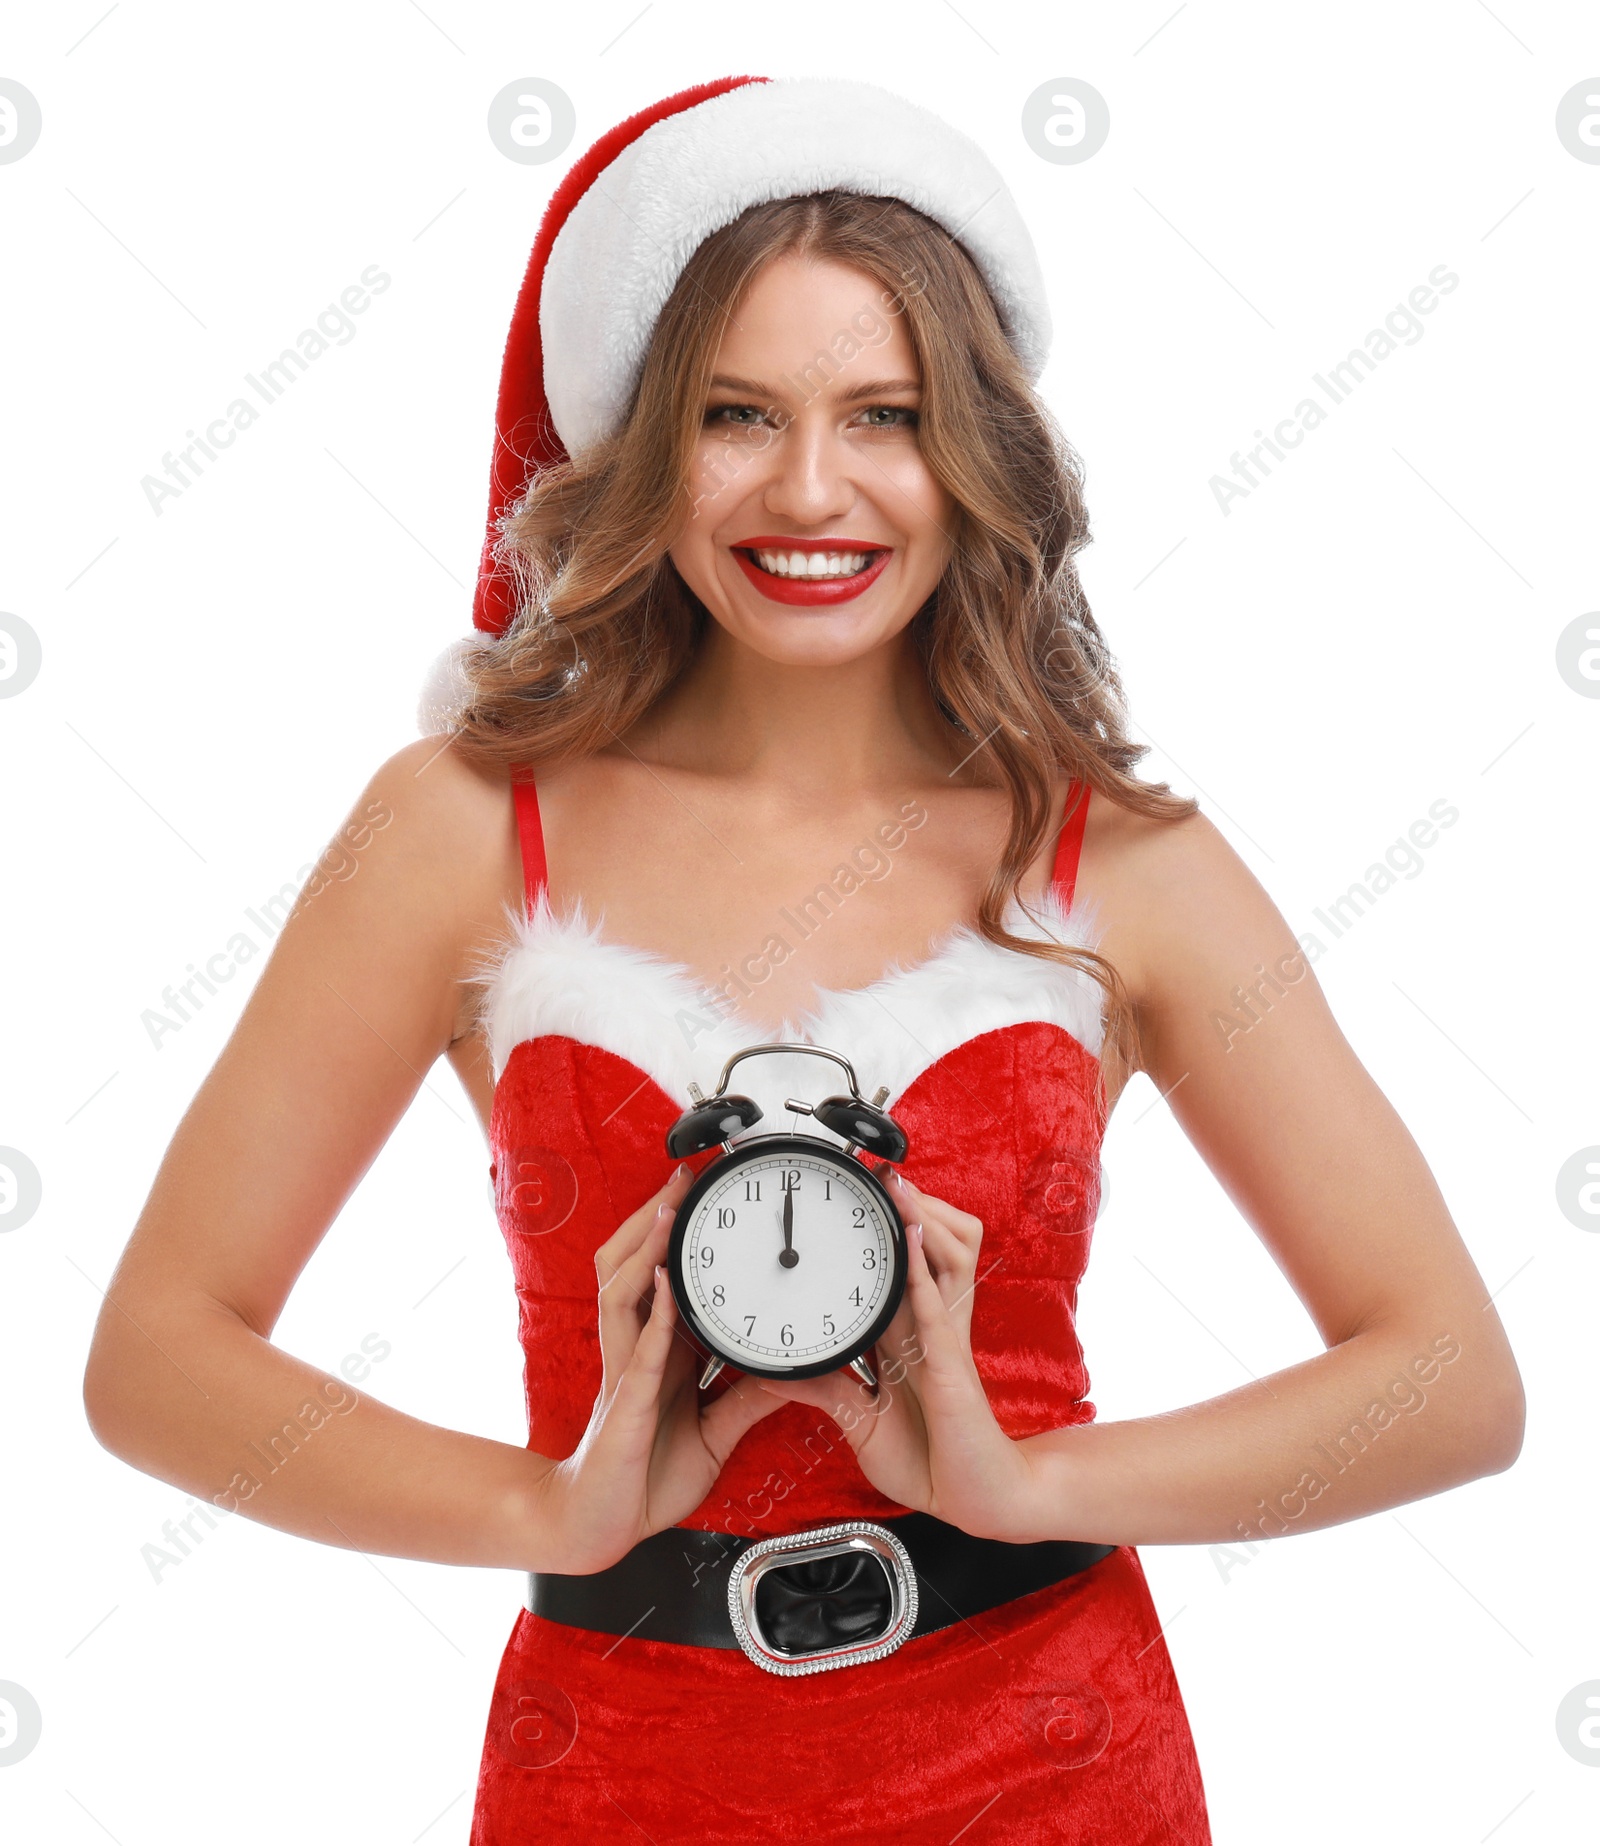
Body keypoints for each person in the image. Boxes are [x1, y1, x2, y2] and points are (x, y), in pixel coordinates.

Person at [83, 75, 1525, 1845]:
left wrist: (1025, 1477)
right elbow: (157, 1352)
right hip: (614, 1767)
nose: (814, 488)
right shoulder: (467, 829)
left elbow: (1450, 1376)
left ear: (977, 448)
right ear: (638, 442)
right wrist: (556, 1510)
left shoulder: (1118, 860)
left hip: (1058, 1766)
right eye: (737, 414)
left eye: (889, 415)